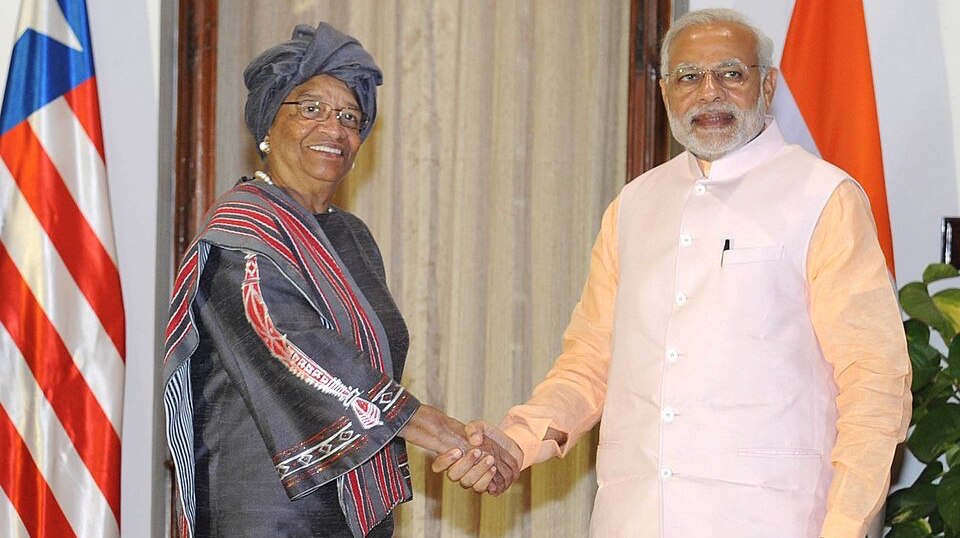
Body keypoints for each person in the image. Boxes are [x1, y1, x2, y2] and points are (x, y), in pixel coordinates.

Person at [435, 7, 912, 538]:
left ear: (768, 85)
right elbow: (590, 363)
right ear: (665, 93)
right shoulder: (634, 205)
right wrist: (517, 442)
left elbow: (875, 381)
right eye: (688, 77)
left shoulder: (823, 197)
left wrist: (846, 524)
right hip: (632, 519)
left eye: (731, 74)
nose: (709, 93)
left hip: (773, 520)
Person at [162, 22, 516, 538]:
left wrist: (446, 435)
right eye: (310, 109)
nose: (334, 128)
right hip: (268, 514)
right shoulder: (241, 234)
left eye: (350, 116)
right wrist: (447, 436)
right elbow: (298, 352)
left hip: (352, 510)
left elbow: (374, 364)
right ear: (267, 123)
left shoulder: (350, 237)